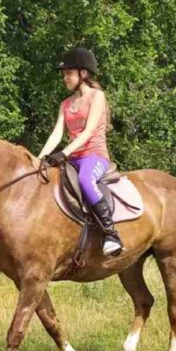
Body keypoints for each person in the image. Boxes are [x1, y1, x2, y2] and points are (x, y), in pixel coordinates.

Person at [37, 46, 123, 256]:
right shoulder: (65, 104)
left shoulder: (97, 97)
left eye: (68, 73)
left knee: (86, 180)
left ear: (83, 74)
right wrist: (38, 159)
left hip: (94, 157)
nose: (64, 78)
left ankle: (111, 233)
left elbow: (89, 131)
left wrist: (64, 153)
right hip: (72, 159)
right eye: (64, 74)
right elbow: (56, 134)